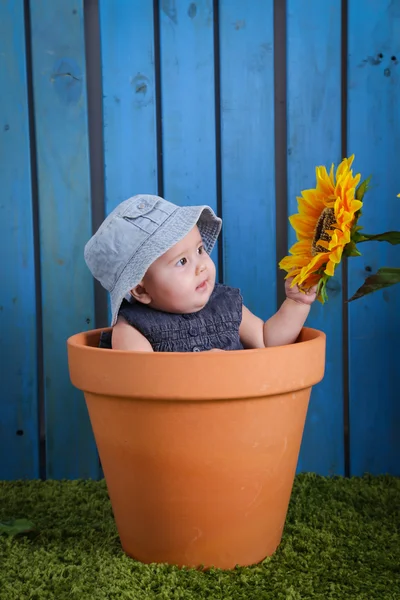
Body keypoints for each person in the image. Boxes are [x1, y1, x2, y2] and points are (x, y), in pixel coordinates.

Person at [84, 194, 316, 352]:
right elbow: (145, 385)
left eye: (200, 249)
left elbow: (267, 341)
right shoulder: (132, 329)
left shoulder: (227, 305)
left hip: (241, 420)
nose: (201, 265)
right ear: (141, 289)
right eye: (182, 261)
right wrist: (201, 369)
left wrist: (296, 303)